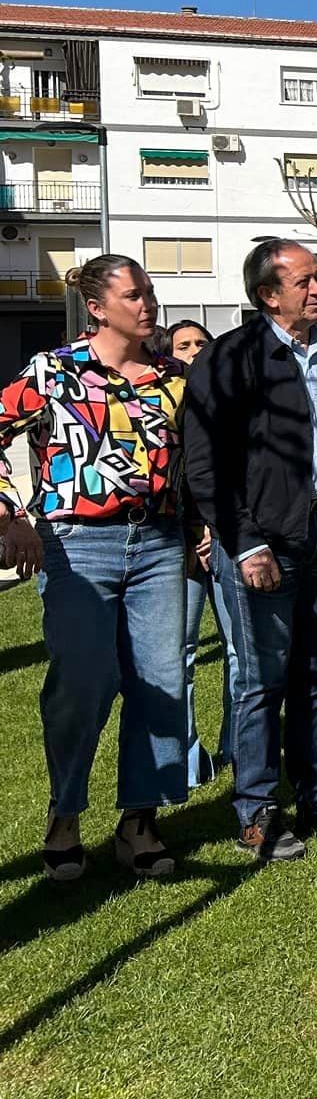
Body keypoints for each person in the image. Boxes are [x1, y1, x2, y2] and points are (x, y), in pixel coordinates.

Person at [184, 239, 317, 864]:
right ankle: (255, 810)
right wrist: (245, 544)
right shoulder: (230, 360)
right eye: (304, 281)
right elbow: (205, 463)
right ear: (269, 294)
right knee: (260, 680)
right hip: (265, 544)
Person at [0, 257, 190, 880]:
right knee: (82, 682)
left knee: (161, 682)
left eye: (150, 293)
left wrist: (203, 527)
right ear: (98, 308)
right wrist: (11, 515)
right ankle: (65, 814)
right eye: (134, 295)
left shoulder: (174, 377)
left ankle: (140, 819)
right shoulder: (54, 372)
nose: (148, 305)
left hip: (160, 544)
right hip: (76, 543)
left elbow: (198, 462)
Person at [165, 318, 241, 787]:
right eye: (183, 345)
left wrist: (218, 526)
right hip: (178, 545)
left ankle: (239, 746)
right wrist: (192, 530)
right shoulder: (162, 402)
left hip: (230, 540)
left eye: (201, 344)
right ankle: (189, 758)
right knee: (182, 654)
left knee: (240, 650)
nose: (194, 351)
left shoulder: (233, 401)